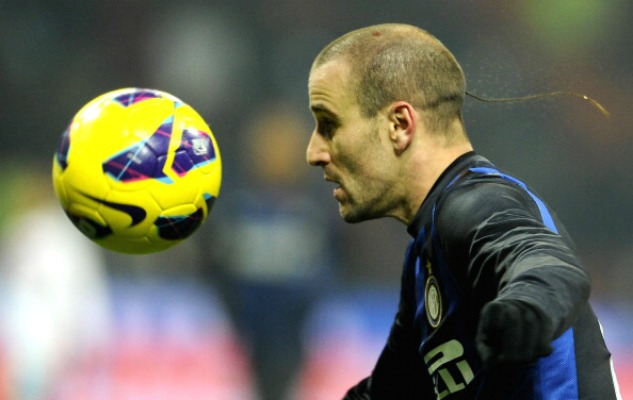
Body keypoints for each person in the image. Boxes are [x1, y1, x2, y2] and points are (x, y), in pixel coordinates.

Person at [305, 23, 621, 399]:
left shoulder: (475, 205)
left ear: (400, 125)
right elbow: (390, 391)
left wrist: (524, 310)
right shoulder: (426, 256)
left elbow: (548, 265)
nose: (314, 152)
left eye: (329, 124)